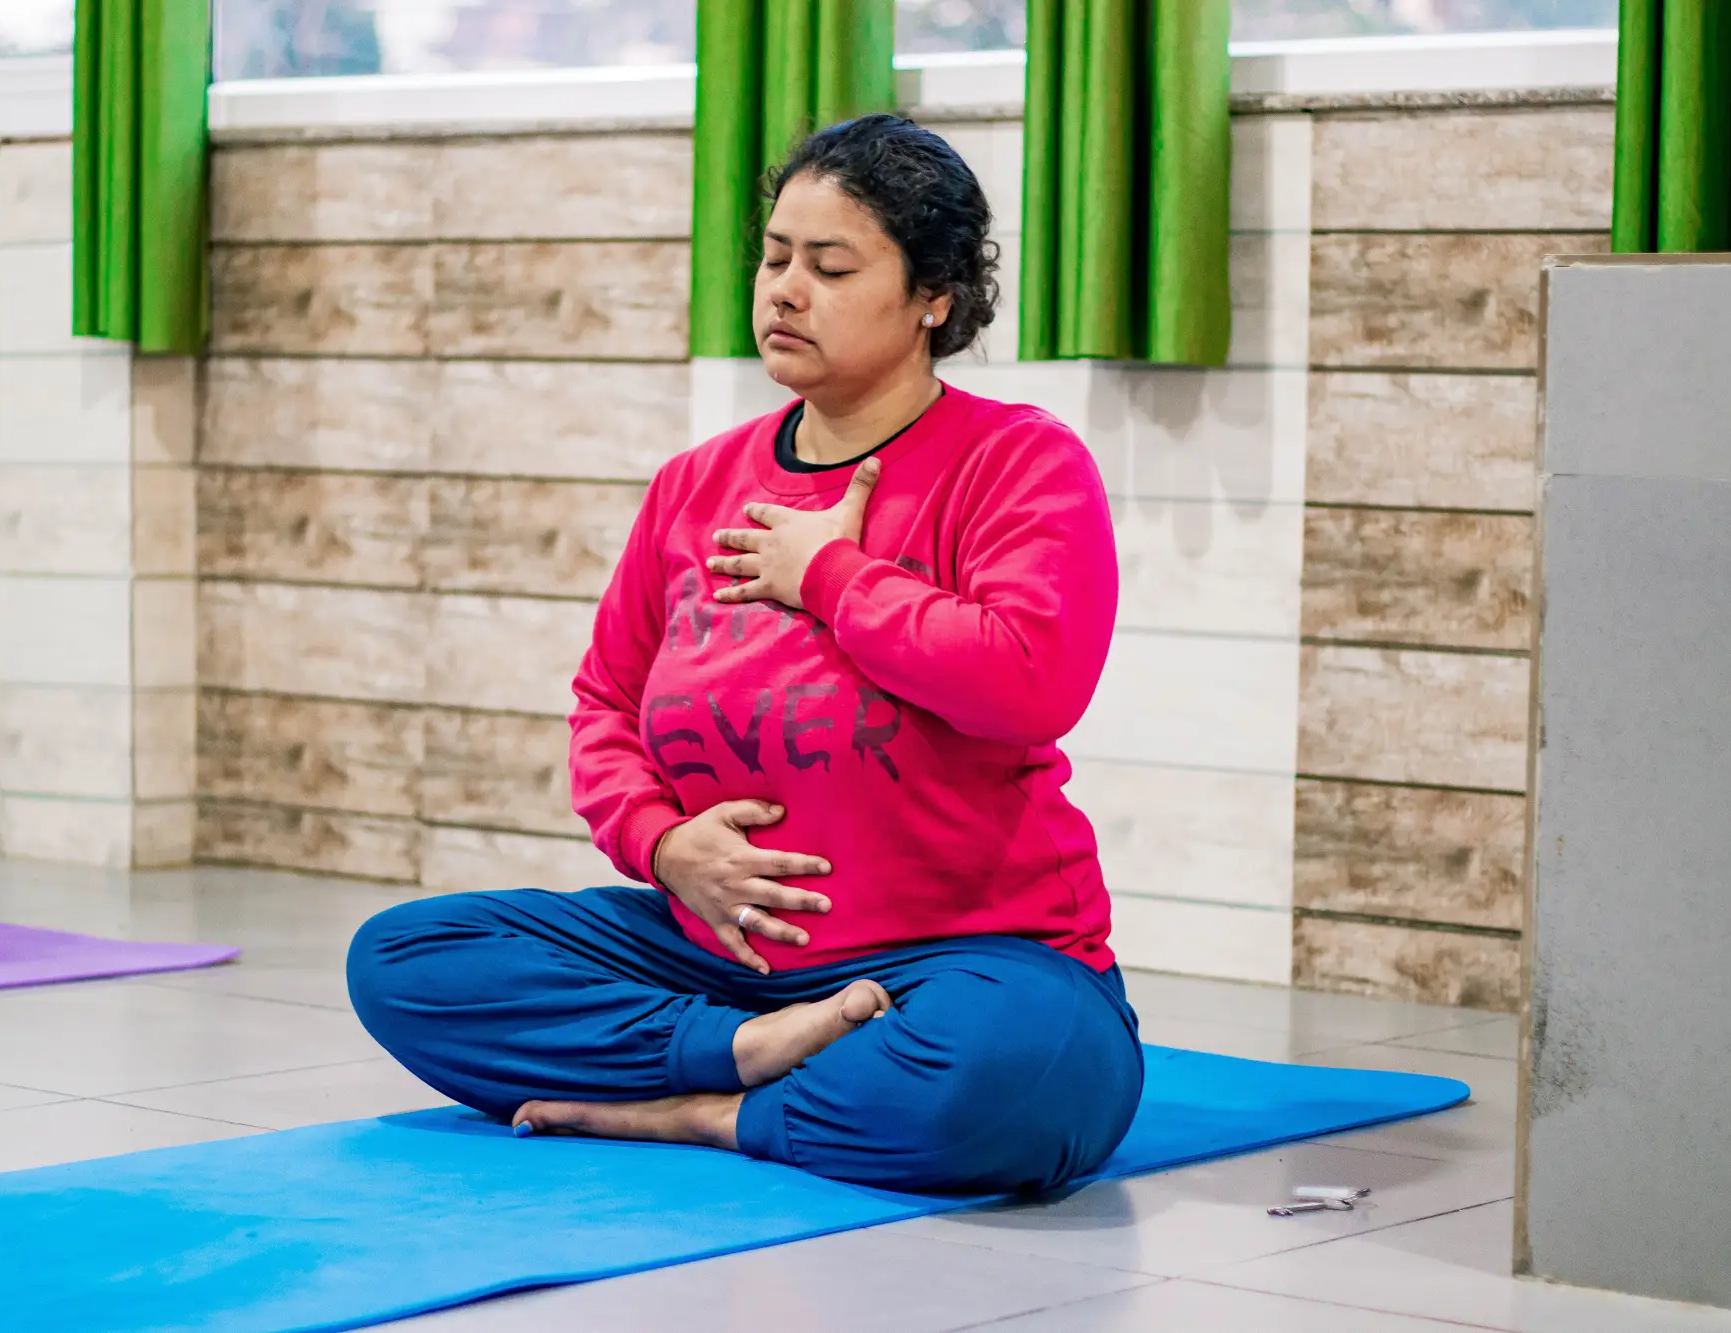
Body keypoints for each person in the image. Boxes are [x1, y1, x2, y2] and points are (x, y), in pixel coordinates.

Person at [348, 113, 1142, 1194]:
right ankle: (745, 1054)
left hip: (965, 956)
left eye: (830, 267)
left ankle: (706, 1111)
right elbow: (605, 703)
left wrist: (832, 577)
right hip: (715, 959)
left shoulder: (1016, 461)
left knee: (1020, 1075)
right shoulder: (695, 484)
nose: (784, 292)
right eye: (774, 260)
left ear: (933, 295)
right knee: (404, 961)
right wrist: (663, 843)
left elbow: (1028, 681)